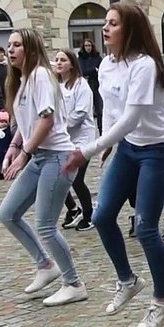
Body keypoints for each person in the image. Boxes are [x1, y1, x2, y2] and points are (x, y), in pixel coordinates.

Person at [65, 2, 164, 327]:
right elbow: (111, 111)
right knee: (101, 217)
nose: (106, 28)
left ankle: (162, 299)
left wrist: (89, 148)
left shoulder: (144, 65)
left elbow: (133, 117)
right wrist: (107, 142)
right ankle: (127, 280)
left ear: (129, 29)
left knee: (145, 227)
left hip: (158, 151)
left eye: (113, 23)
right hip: (129, 149)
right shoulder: (106, 65)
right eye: (105, 23)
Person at [0, 29, 88, 307]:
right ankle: (45, 264)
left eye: (17, 45)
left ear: (31, 49)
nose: (11, 50)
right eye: (9, 45)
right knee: (8, 214)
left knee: (46, 225)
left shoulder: (40, 75)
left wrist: (22, 155)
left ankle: (74, 283)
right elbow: (27, 122)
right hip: (39, 156)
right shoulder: (22, 80)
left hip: (57, 156)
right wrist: (15, 147)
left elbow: (46, 120)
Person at [56, 49, 97, 231]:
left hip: (82, 139)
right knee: (58, 176)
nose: (58, 63)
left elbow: (80, 113)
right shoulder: (56, 86)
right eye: (56, 60)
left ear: (72, 64)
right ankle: (73, 209)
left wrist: (60, 127)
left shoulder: (81, 85)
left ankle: (89, 214)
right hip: (64, 139)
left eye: (63, 60)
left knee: (77, 179)